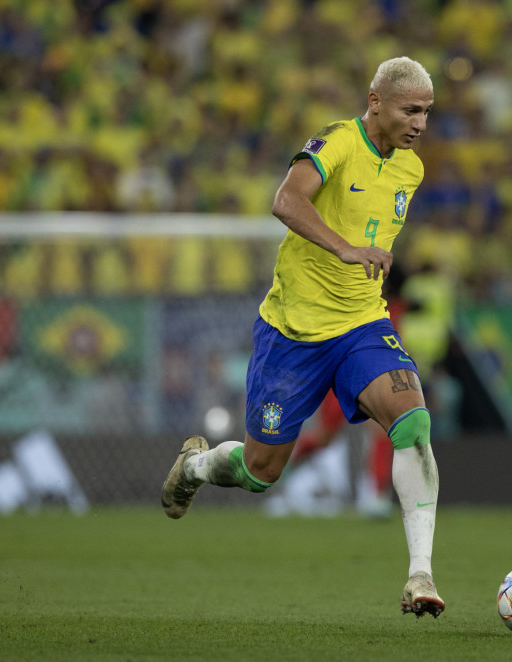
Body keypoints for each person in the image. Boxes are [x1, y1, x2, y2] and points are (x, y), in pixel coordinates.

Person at [161, 57, 444, 618]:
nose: (420, 124)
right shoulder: (338, 142)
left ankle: (420, 576)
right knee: (260, 471)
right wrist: (343, 248)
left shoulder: (409, 170)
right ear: (376, 102)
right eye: (411, 110)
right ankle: (195, 467)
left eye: (427, 113)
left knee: (413, 422)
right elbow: (285, 201)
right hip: (293, 331)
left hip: (362, 323)